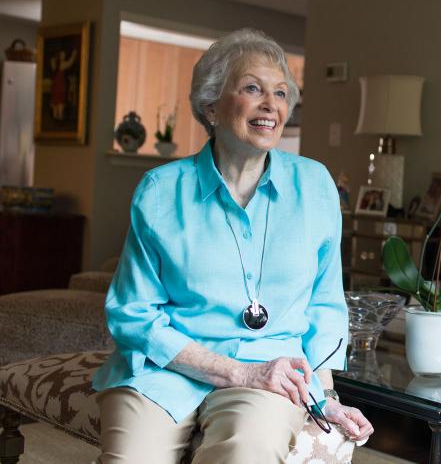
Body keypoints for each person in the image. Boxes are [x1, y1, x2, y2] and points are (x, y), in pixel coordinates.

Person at [92, 29, 373, 463]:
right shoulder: (161, 191)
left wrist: (323, 396)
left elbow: (324, 302)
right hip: (166, 367)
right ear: (211, 105)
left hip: (272, 372)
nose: (271, 105)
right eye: (252, 88)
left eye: (280, 93)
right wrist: (236, 371)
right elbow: (131, 313)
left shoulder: (315, 186)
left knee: (246, 454)